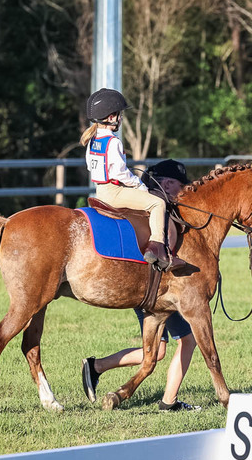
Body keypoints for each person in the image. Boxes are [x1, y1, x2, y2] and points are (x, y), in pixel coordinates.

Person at [82, 160, 201, 412]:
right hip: (159, 291)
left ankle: (96, 367)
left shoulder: (138, 205)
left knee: (158, 352)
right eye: (181, 186)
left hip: (141, 288)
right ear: (167, 183)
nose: (183, 192)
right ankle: (169, 402)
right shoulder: (161, 211)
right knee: (187, 341)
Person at [81, 88, 170, 268]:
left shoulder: (92, 140)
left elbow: (91, 166)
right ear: (112, 117)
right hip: (114, 192)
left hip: (100, 191)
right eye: (119, 115)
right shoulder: (113, 142)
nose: (120, 118)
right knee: (158, 204)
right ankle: (157, 247)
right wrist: (139, 185)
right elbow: (120, 173)